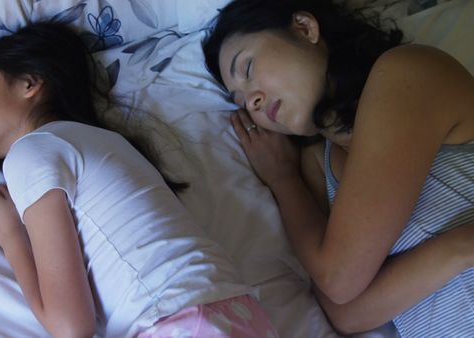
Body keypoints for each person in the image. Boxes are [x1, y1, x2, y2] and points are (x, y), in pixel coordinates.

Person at [0, 21, 278, 338]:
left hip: (173, 318)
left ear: (29, 82)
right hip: (238, 312)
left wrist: (11, 234)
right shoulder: (105, 142)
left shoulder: (30, 152)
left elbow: (72, 327)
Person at [202, 0, 474, 336]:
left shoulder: (407, 73)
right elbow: (345, 313)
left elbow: (339, 277)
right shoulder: (318, 164)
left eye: (247, 68)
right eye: (241, 101)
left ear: (304, 28)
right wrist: (284, 180)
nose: (252, 101)